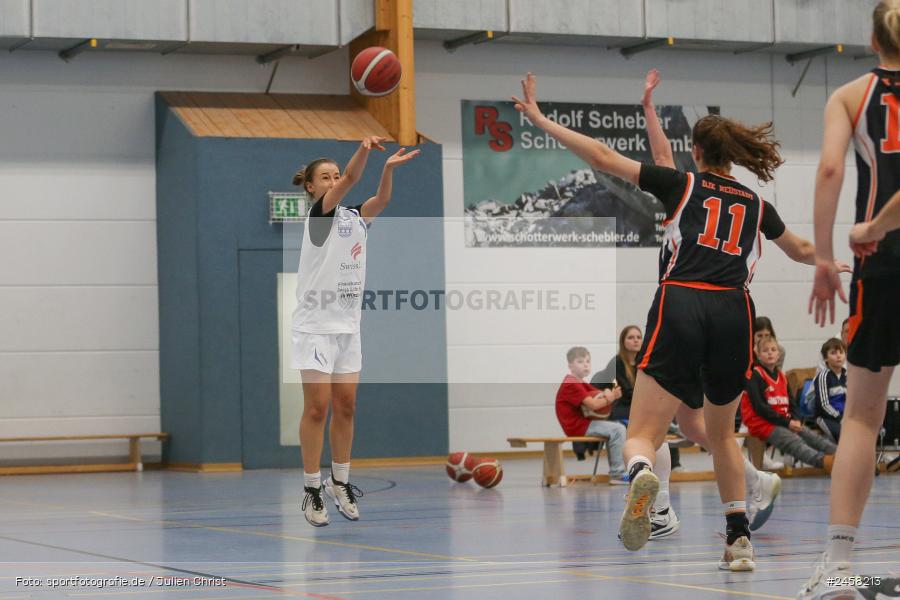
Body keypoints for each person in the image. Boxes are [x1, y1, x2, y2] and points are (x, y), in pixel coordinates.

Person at [513, 72, 837, 571]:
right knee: (720, 433)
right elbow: (800, 250)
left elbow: (602, 157)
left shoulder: (681, 185)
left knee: (642, 432)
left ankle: (643, 472)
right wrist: (833, 260)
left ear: (697, 152)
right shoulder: (755, 203)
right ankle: (738, 540)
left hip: (682, 301)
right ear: (731, 153)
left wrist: (540, 119)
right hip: (735, 310)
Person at [638, 73, 784, 535]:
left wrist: (649, 111)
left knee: (656, 424)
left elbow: (661, 158)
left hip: (687, 305)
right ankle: (754, 480)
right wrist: (648, 113)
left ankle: (658, 504)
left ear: (697, 152)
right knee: (694, 420)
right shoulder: (724, 195)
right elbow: (662, 154)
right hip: (723, 311)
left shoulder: (689, 191)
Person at [802, 2, 900, 594]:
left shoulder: (851, 95)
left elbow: (832, 171)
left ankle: (838, 564)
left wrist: (824, 254)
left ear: (871, 40)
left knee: (863, 414)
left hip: (883, 262)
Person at [292, 137, 419, 527]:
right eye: (325, 177)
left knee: (346, 406)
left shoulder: (352, 217)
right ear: (312, 187)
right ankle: (312, 487)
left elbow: (379, 203)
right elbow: (350, 176)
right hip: (314, 327)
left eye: (335, 175)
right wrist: (364, 150)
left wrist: (388, 171)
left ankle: (340, 481)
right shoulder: (320, 214)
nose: (333, 181)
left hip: (348, 327)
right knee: (318, 408)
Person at [741, 337, 837, 469]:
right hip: (762, 423)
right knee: (795, 442)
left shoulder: (781, 376)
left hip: (782, 421)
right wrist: (787, 422)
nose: (770, 353)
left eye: (773, 350)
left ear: (778, 354)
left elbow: (792, 404)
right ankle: (827, 462)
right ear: (758, 355)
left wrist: (796, 420)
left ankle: (842, 454)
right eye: (765, 350)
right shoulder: (755, 375)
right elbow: (760, 408)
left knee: (812, 436)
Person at [555, 347, 628, 484]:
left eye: (588, 361)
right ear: (570, 365)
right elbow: (593, 405)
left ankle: (618, 470)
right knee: (618, 430)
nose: (585, 364)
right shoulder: (571, 383)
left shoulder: (579, 382)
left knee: (618, 427)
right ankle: (617, 474)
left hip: (582, 423)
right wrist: (610, 397)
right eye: (580, 361)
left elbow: (599, 392)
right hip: (577, 426)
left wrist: (607, 391)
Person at [813, 338, 848, 442]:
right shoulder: (823, 376)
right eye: (833, 353)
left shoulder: (848, 375)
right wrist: (840, 418)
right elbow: (823, 405)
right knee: (844, 436)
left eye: (841, 352)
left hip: (845, 416)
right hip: (826, 417)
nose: (838, 356)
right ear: (825, 358)